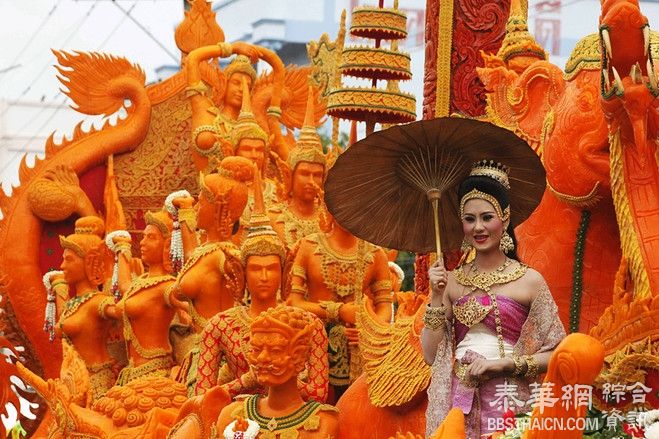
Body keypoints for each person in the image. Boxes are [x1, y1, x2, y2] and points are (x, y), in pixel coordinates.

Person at [421, 160, 565, 438]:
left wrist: (506, 364)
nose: (478, 227)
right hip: (459, 402)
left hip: (509, 398)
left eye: (487, 217)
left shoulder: (529, 280)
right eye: (469, 219)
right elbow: (430, 355)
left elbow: (556, 353)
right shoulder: (451, 282)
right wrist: (437, 296)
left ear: (505, 219)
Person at [195, 171, 329, 402]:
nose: (265, 276)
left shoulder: (308, 324)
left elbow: (319, 394)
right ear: (242, 273)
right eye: (256, 269)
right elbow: (201, 397)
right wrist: (246, 381)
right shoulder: (220, 326)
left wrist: (283, 376)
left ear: (284, 272)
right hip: (239, 421)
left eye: (272, 268)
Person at [215, 306, 339, 439]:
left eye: (275, 351)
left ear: (298, 356)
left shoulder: (321, 425)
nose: (262, 358)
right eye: (256, 350)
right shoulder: (232, 415)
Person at [101, 210, 178, 385]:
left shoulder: (167, 286)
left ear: (168, 245)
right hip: (131, 374)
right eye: (143, 236)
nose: (142, 243)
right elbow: (125, 285)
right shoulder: (141, 282)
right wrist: (122, 248)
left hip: (156, 374)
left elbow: (188, 303)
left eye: (151, 237)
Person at [51, 216, 116, 401]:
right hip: (72, 384)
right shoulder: (74, 303)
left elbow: (122, 311)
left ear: (88, 262)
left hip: (97, 385)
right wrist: (60, 289)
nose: (63, 266)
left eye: (69, 260)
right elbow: (61, 325)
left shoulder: (98, 302)